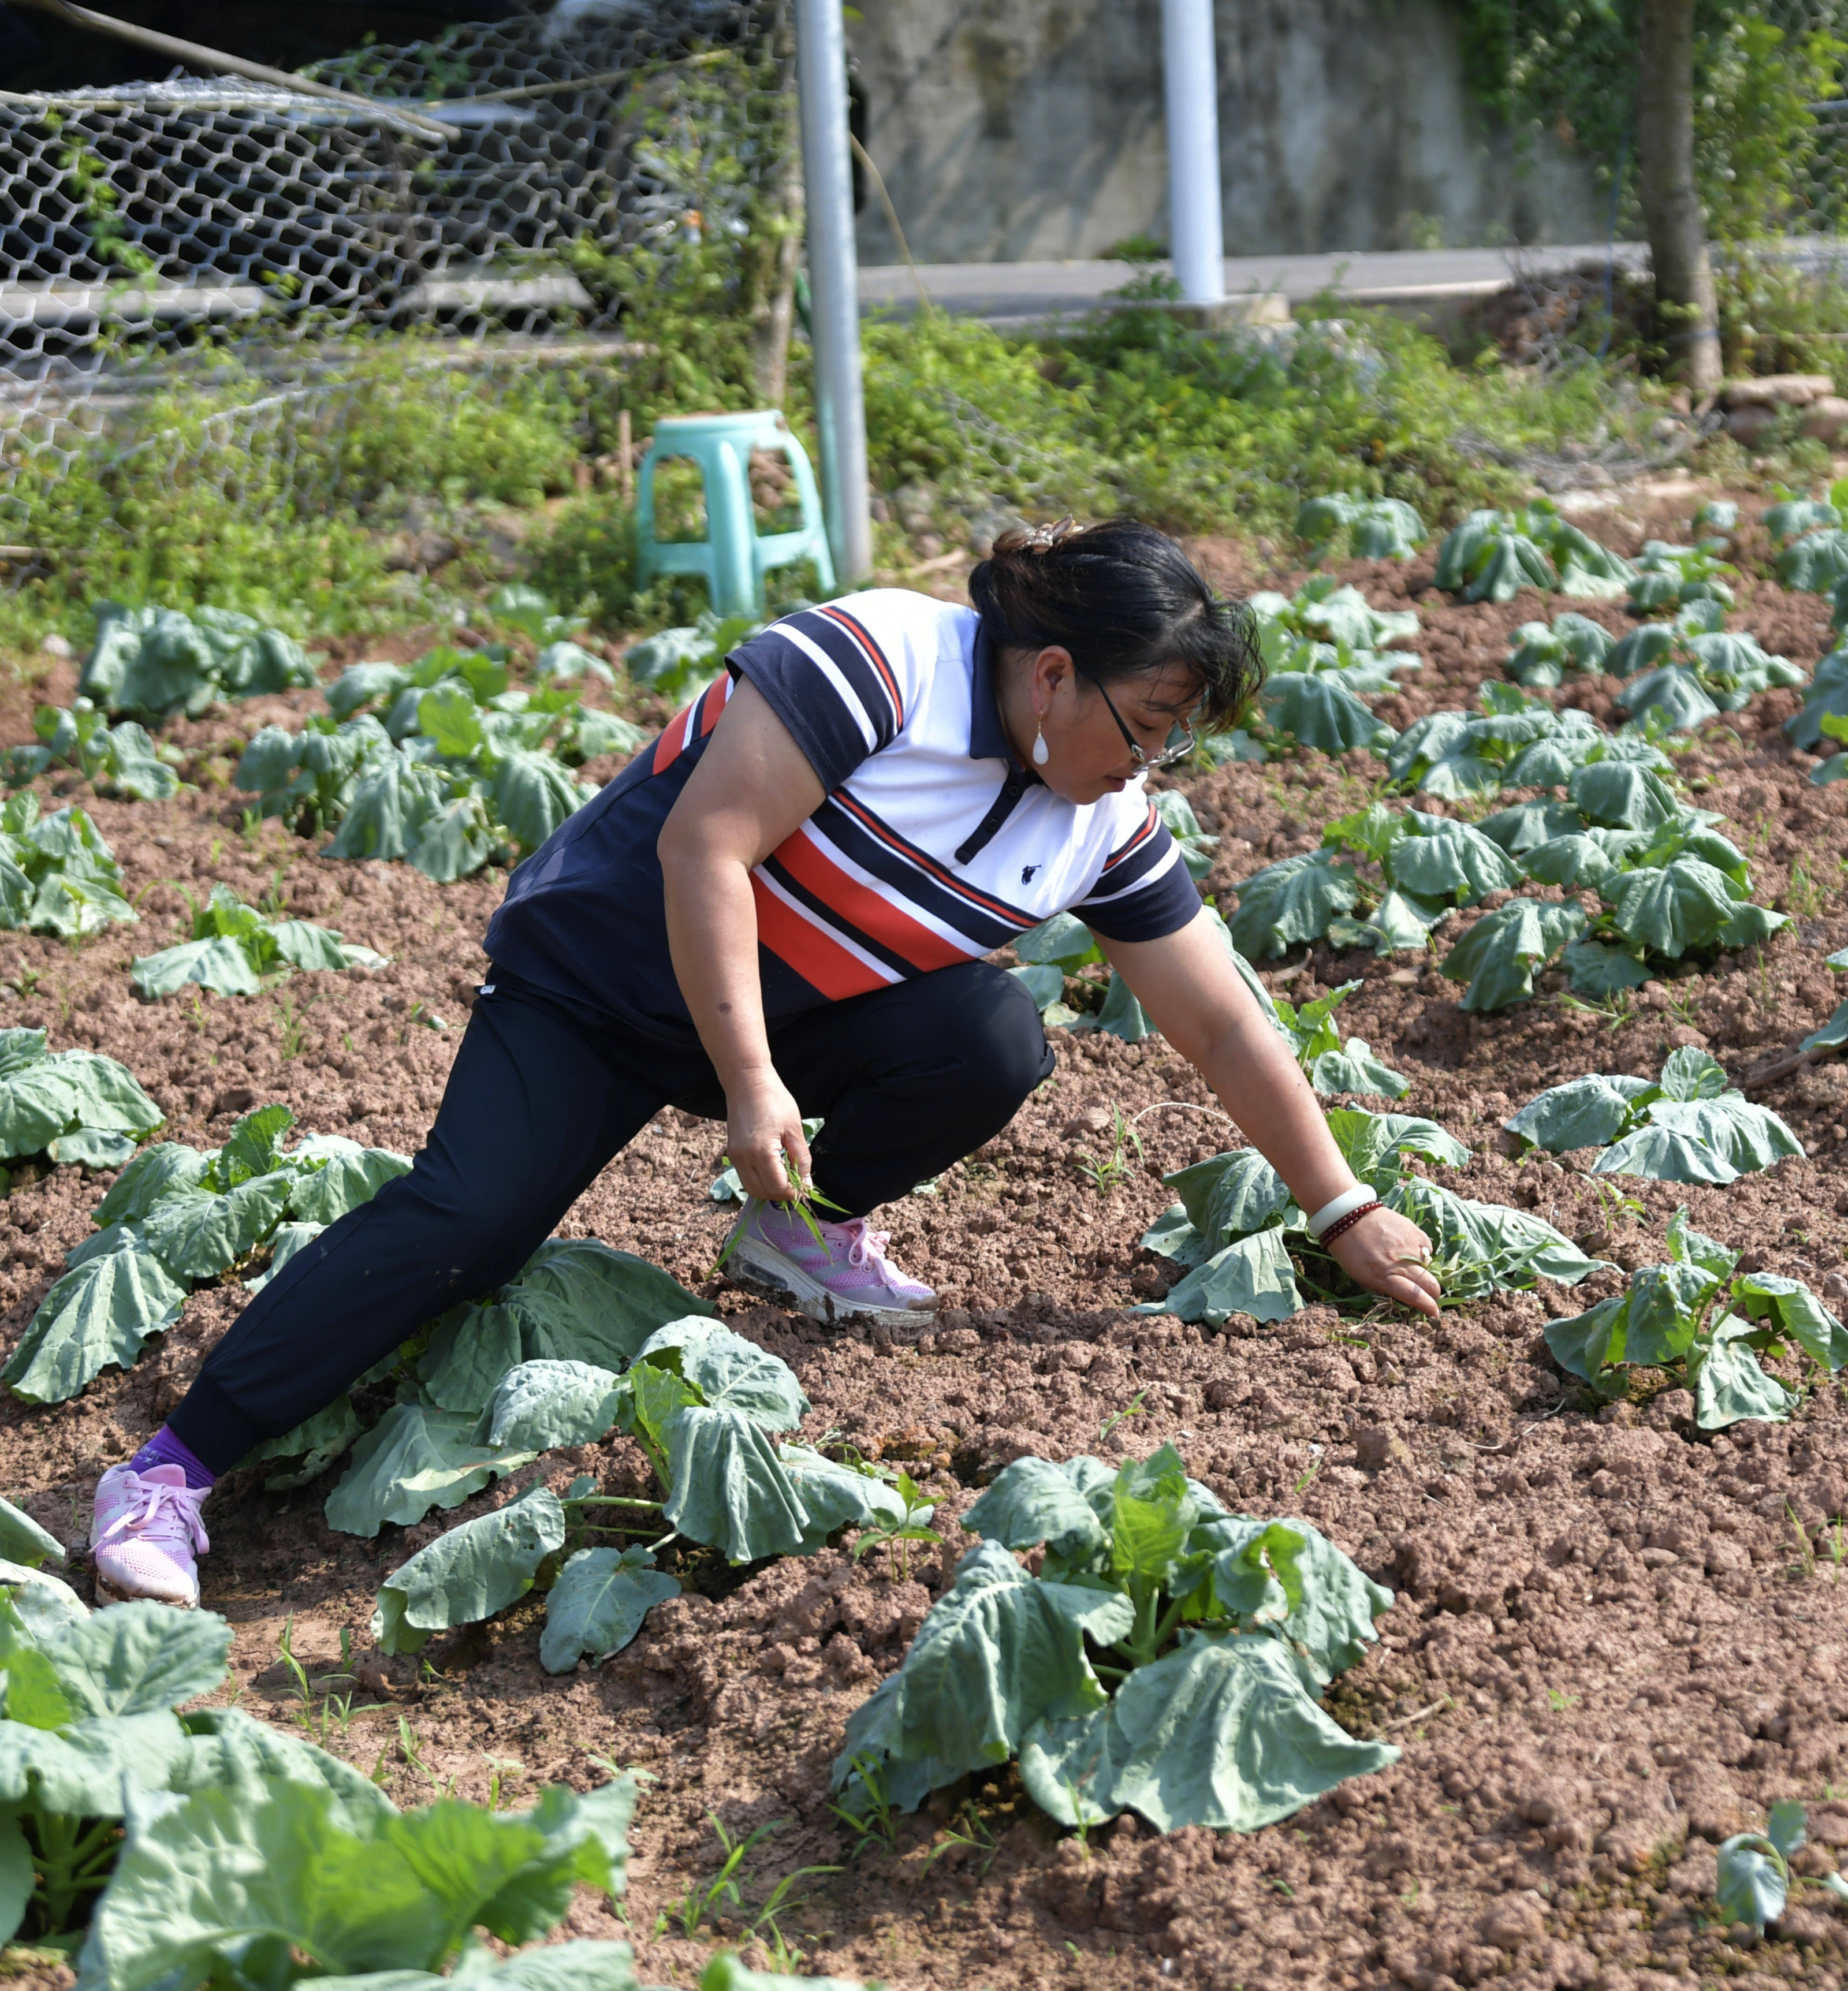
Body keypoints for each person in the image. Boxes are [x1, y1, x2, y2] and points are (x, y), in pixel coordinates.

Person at [89, 519, 1445, 1605]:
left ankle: (799, 1230)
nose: (1157, 757)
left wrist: (1342, 1206)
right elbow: (707, 848)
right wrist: (749, 1081)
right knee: (474, 1216)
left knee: (991, 1037)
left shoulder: (1102, 818)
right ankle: (169, 1470)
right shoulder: (879, 659)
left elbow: (1219, 1022)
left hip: (794, 1010)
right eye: (1148, 721)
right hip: (602, 983)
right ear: (1051, 675)